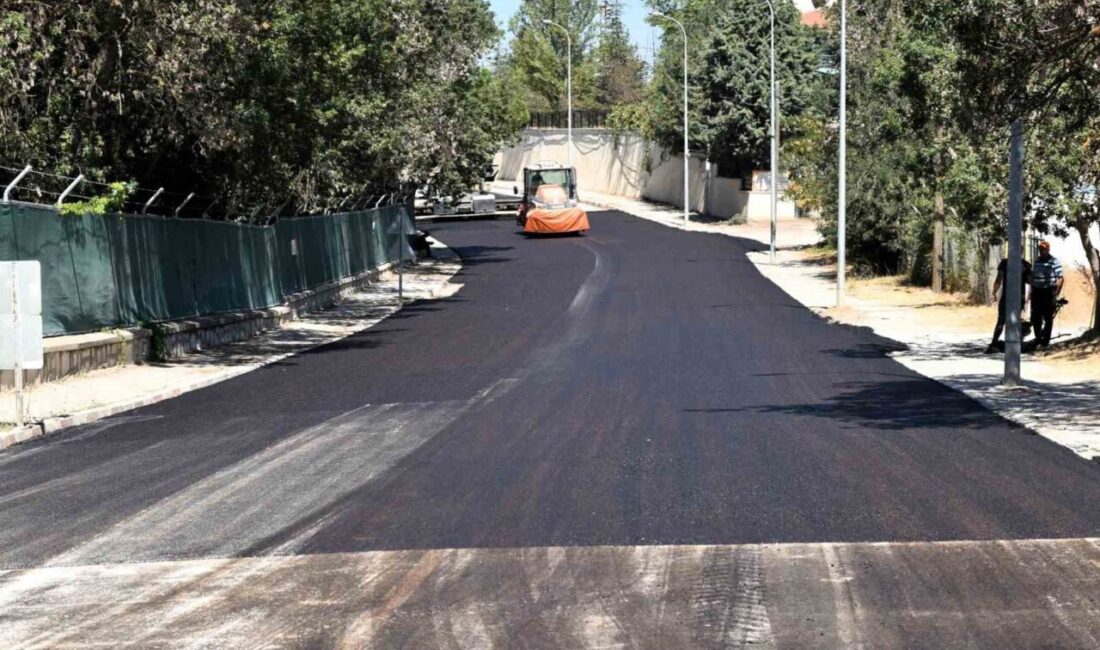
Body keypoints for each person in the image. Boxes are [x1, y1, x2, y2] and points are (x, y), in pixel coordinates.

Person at [986, 256, 1032, 353]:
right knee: (1014, 321)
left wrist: (994, 292)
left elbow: (999, 279)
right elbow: (1030, 281)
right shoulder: (1025, 265)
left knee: (1001, 320)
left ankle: (994, 343)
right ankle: (1013, 344)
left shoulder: (1005, 263)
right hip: (1019, 297)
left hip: (1007, 296)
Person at [1030, 240, 1064, 347]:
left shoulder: (1054, 261)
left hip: (1048, 292)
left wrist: (1055, 293)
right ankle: (1038, 338)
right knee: (1036, 317)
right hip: (1037, 291)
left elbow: (1060, 278)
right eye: (1040, 249)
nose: (1041, 251)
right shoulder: (1037, 261)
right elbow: (1033, 276)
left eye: (1044, 249)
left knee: (1048, 317)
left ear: (1048, 249)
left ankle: (1045, 341)